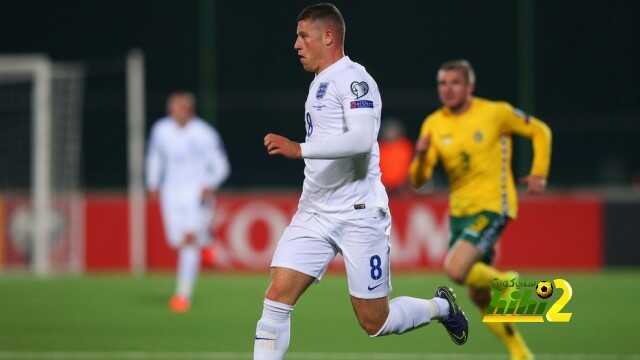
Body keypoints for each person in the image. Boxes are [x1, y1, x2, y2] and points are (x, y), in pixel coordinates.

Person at [254, 4, 468, 359]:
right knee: (276, 299)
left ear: (328, 36)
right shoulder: (319, 83)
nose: (296, 44)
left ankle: (440, 308)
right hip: (315, 212)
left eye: (303, 35)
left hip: (359, 214)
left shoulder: (355, 80)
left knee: (375, 321)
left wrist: (299, 149)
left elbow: (361, 139)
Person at [409, 59, 552, 360]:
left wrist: (538, 172)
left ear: (469, 86)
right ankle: (520, 352)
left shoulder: (495, 113)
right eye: (442, 84)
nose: (447, 89)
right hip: (460, 214)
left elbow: (541, 131)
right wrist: (420, 157)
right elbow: (418, 181)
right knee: (477, 293)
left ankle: (509, 282)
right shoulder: (434, 123)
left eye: (455, 83)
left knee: (454, 268)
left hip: (493, 205)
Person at [146, 91, 230, 313]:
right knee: (177, 241)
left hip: (197, 194)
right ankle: (207, 240)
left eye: (180, 107)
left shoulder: (204, 133)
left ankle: (182, 295)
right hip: (171, 194)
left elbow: (222, 165)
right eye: (173, 107)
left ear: (189, 110)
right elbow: (154, 157)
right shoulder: (161, 130)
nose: (175, 111)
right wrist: (153, 183)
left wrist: (210, 183)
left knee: (188, 242)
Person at [379, 118, 413, 194]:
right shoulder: (379, 148)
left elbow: (409, 165)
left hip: (402, 186)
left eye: (393, 131)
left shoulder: (405, 146)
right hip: (383, 187)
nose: (390, 133)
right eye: (388, 131)